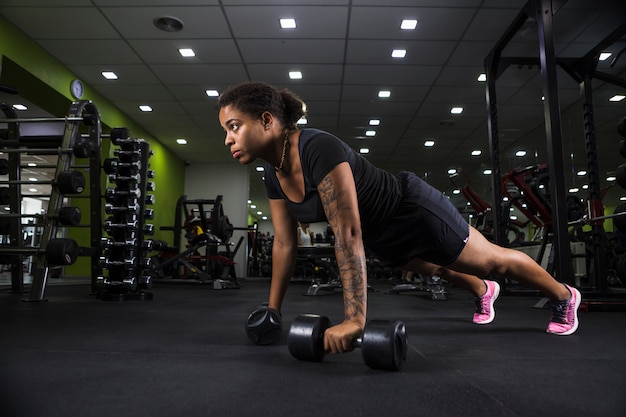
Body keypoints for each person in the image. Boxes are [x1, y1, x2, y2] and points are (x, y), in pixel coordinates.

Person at [217, 82, 581, 353]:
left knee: (491, 261)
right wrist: (273, 311)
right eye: (225, 131)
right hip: (381, 235)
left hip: (410, 210)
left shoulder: (316, 147)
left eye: (234, 126)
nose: (228, 139)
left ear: (267, 120)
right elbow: (283, 241)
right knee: (437, 268)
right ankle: (483, 292)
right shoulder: (272, 170)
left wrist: (355, 320)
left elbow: (347, 231)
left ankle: (564, 295)